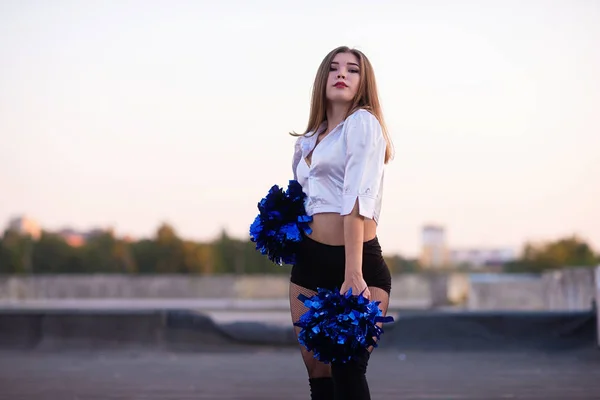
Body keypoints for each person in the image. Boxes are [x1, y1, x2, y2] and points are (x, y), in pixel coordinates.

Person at [289, 45, 394, 400]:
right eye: (334, 68)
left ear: (363, 83)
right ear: (323, 80)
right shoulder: (306, 142)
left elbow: (356, 203)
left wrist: (353, 273)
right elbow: (305, 202)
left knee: (348, 371)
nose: (342, 75)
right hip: (309, 266)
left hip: (357, 261)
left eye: (352, 70)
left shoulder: (362, 124)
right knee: (319, 374)